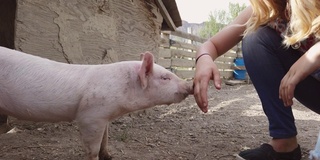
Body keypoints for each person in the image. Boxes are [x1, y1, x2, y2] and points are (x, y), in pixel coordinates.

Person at [193, 0, 320, 160]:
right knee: (255, 38)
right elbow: (212, 44)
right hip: (310, 89)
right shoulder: (266, 8)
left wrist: (315, 54)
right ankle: (284, 143)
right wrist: (204, 58)